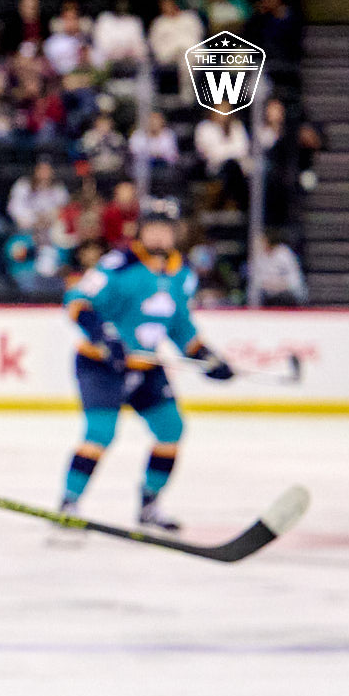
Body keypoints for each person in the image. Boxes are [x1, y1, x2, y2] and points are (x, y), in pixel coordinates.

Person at [59, 198, 231, 531]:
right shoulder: (119, 264)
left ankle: (149, 505)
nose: (158, 237)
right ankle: (69, 502)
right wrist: (104, 337)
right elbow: (76, 301)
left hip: (146, 367)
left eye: (165, 230)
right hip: (101, 365)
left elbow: (182, 328)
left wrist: (208, 357)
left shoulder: (183, 274)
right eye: (152, 229)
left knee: (171, 429)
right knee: (100, 433)